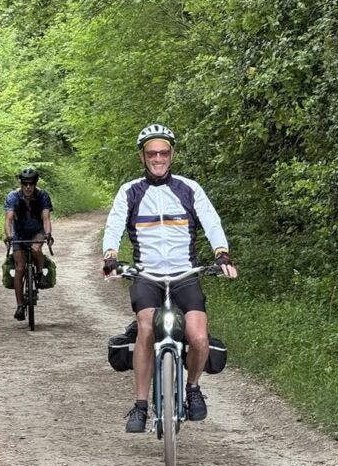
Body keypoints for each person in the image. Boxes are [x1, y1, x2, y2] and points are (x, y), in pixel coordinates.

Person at [102, 124, 237, 432]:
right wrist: (110, 256)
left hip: (184, 275)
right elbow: (114, 224)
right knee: (146, 329)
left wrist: (222, 253)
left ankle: (192, 388)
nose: (158, 158)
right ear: (142, 157)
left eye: (163, 152)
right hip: (147, 275)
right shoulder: (131, 191)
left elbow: (211, 222)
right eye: (152, 153)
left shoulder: (189, 188)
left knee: (199, 338)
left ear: (172, 154)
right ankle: (140, 406)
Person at [4, 167, 53, 321]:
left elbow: (46, 218)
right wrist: (9, 236)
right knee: (19, 268)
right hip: (18, 233)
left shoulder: (43, 195)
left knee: (36, 248)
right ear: (21, 183)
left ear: (35, 183)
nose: (28, 187)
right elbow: (8, 219)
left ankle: (39, 274)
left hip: (36, 231)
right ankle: (19, 306)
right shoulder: (13, 196)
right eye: (25, 183)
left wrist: (48, 234)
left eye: (31, 184)